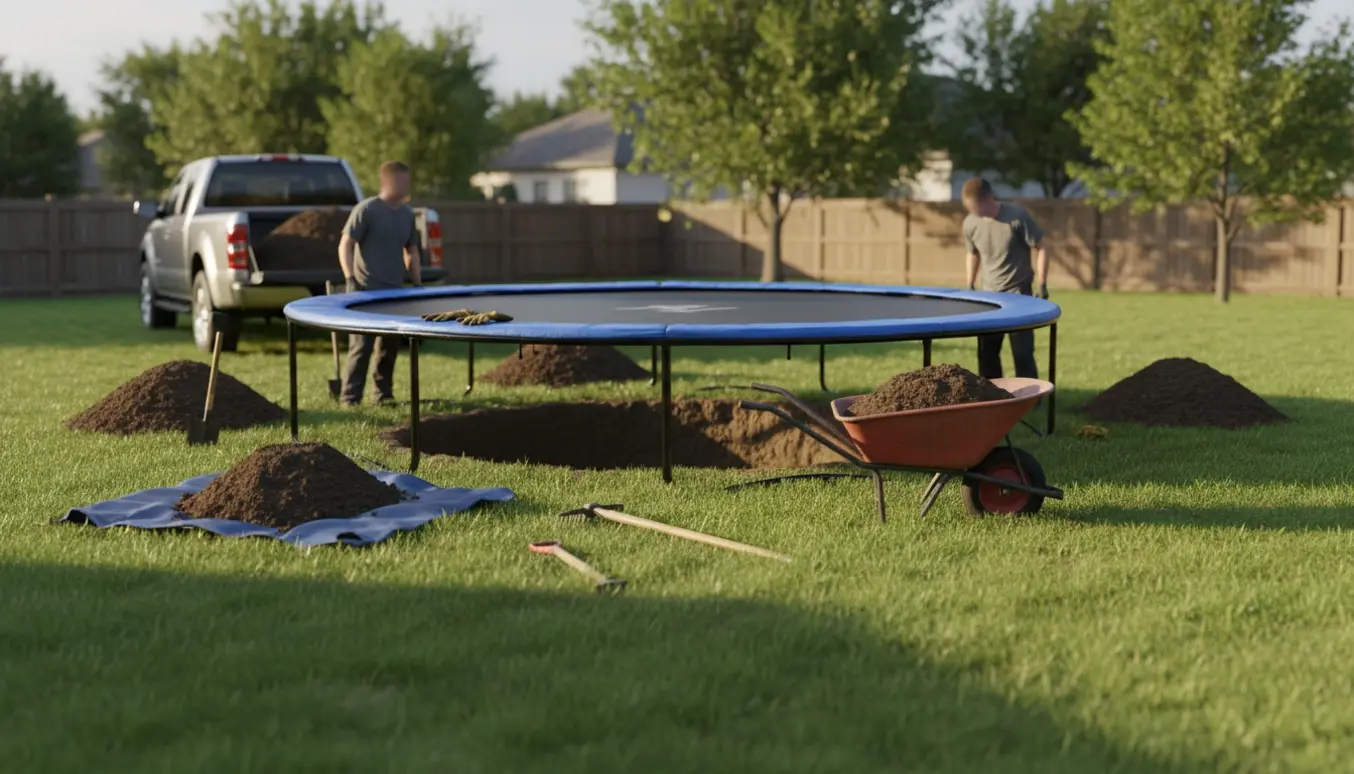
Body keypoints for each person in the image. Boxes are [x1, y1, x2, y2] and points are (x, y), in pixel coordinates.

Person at [338, 161, 422, 406]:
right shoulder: (367, 210)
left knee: (389, 347)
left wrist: (417, 285)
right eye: (404, 180)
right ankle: (350, 397)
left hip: (394, 293)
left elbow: (412, 251)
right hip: (365, 291)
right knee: (361, 347)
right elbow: (345, 244)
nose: (408, 185)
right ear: (390, 180)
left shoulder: (407, 214)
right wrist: (350, 279)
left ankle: (383, 394)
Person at [961, 178, 1048, 380]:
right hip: (989, 298)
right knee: (987, 354)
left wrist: (1042, 283)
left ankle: (1031, 400)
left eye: (976, 207)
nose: (975, 213)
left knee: (1023, 354)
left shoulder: (1017, 217)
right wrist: (970, 285)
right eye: (970, 209)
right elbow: (972, 253)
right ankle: (993, 398)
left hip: (1019, 294)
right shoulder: (970, 223)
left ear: (989, 198)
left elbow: (1042, 247)